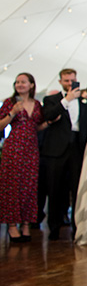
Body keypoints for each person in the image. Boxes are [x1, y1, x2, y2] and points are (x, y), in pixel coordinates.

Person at [42, 68, 87, 240]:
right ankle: (54, 226)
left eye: (72, 80)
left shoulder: (85, 102)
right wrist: (66, 100)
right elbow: (48, 115)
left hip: (77, 148)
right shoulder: (51, 99)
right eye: (66, 81)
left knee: (77, 188)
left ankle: (77, 226)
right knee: (55, 189)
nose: (70, 83)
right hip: (56, 149)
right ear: (60, 82)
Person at [0, 73, 45, 243]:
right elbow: (1, 125)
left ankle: (26, 224)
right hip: (14, 148)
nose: (19, 84)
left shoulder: (37, 104)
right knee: (12, 185)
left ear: (31, 85)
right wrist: (12, 113)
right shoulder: (9, 103)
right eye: (17, 82)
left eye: (23, 82)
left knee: (29, 186)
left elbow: (36, 126)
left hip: (31, 149)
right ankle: (12, 225)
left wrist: (48, 124)